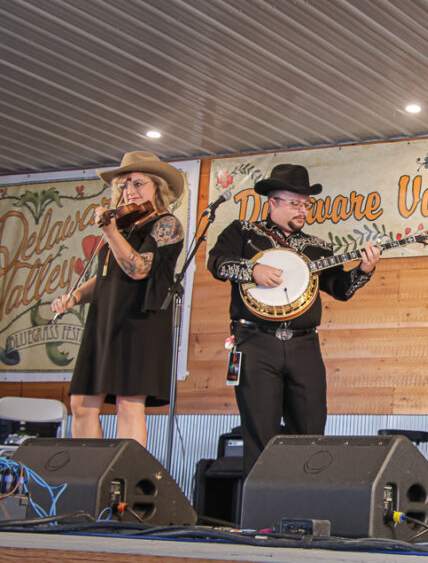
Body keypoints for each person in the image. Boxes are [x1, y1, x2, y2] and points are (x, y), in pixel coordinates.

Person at [207, 163, 380, 475]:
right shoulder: (242, 232)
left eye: (306, 204)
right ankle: (261, 519)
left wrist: (363, 271)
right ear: (272, 202)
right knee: (260, 432)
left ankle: (304, 507)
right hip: (254, 342)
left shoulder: (318, 247)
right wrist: (253, 270)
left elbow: (340, 290)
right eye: (295, 203)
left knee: (311, 429)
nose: (303, 210)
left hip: (304, 346)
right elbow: (218, 264)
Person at [50, 151, 186, 447]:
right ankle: (88, 476)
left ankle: (126, 484)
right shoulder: (123, 227)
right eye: (124, 185)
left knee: (128, 404)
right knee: (81, 404)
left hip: (139, 320)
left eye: (138, 183)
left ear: (157, 188)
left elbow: (138, 269)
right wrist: (74, 297)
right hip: (105, 318)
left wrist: (111, 231)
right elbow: (104, 276)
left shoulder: (166, 224)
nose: (129, 191)